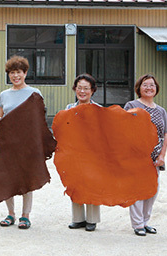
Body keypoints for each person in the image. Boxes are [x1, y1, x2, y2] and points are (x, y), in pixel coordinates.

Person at [0, 55, 43, 229]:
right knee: (8, 179)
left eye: (19, 72)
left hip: (27, 144)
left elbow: (39, 120)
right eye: (12, 73)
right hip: (7, 144)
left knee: (26, 180)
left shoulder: (34, 93)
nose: (16, 76)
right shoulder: (4, 95)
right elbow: (0, 118)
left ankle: (25, 215)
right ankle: (10, 214)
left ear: (25, 73)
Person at [124, 74, 167, 236]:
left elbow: (166, 134)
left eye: (152, 85)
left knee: (152, 191)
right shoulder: (131, 105)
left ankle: (145, 222)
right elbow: (122, 128)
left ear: (156, 89)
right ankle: (137, 224)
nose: (149, 88)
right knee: (138, 190)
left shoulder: (161, 110)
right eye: (145, 85)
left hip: (155, 159)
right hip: (136, 157)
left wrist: (162, 156)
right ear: (139, 88)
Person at [64, 74, 101, 231]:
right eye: (79, 88)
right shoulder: (68, 108)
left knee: (92, 184)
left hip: (93, 154)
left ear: (92, 90)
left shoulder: (99, 109)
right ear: (75, 89)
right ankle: (78, 218)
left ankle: (92, 220)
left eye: (86, 88)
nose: (82, 91)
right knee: (75, 184)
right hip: (73, 153)